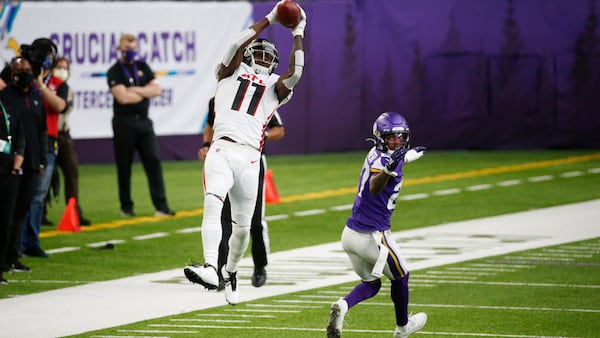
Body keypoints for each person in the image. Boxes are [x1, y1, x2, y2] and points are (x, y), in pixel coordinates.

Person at [184, 2, 306, 305]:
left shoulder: (273, 87)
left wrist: (299, 33)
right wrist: (270, 19)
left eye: (269, 56)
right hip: (221, 149)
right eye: (258, 53)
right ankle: (212, 268)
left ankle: (232, 271)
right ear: (248, 55)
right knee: (212, 204)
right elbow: (236, 42)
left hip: (251, 158)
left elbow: (298, 71)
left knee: (243, 227)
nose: (263, 59)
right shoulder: (227, 74)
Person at [326, 112, 428, 338]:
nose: (397, 141)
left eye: (400, 137)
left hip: (350, 234)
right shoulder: (384, 163)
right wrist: (389, 170)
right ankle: (403, 328)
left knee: (371, 284)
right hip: (373, 237)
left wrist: (407, 157)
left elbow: (392, 158)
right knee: (401, 276)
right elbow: (375, 184)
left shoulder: (376, 152)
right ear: (381, 137)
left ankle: (342, 306)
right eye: (391, 137)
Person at [197, 97, 285, 290]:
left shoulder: (260, 96)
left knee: (254, 220)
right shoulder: (219, 98)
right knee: (223, 216)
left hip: (251, 161)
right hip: (224, 159)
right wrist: (205, 145)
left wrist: (261, 135)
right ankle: (219, 271)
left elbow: (278, 128)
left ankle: (260, 266)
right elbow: (210, 126)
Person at [107, 34, 175, 217]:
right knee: (124, 165)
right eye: (127, 49)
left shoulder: (143, 67)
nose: (130, 52)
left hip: (144, 121)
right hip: (124, 122)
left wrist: (135, 90)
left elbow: (157, 90)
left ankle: (161, 206)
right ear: (119, 49)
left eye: (133, 49)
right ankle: (126, 206)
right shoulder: (114, 71)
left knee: (153, 160)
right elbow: (123, 97)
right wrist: (145, 92)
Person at [21, 38, 67, 258]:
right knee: (22, 194)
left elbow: (58, 105)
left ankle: (31, 240)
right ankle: (16, 242)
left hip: (47, 141)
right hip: (25, 139)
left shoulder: (58, 83)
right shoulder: (24, 78)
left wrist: (41, 86)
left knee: (39, 195)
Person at [0, 56, 47, 272]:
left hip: (30, 161)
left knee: (21, 212)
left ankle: (13, 255)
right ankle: (4, 259)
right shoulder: (6, 98)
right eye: (19, 70)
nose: (24, 74)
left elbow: (41, 130)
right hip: (9, 163)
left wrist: (41, 160)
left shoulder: (36, 98)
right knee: (7, 213)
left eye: (27, 69)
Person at [45, 56, 91, 226]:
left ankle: (74, 211)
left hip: (63, 136)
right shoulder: (44, 88)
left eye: (65, 67)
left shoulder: (66, 89)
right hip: (48, 136)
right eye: (59, 66)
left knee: (72, 172)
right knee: (45, 177)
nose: (62, 70)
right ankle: (40, 213)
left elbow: (63, 107)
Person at [0, 94, 26, 284]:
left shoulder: (7, 107)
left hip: (9, 170)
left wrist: (17, 161)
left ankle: (1, 266)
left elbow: (18, 137)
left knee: (5, 221)